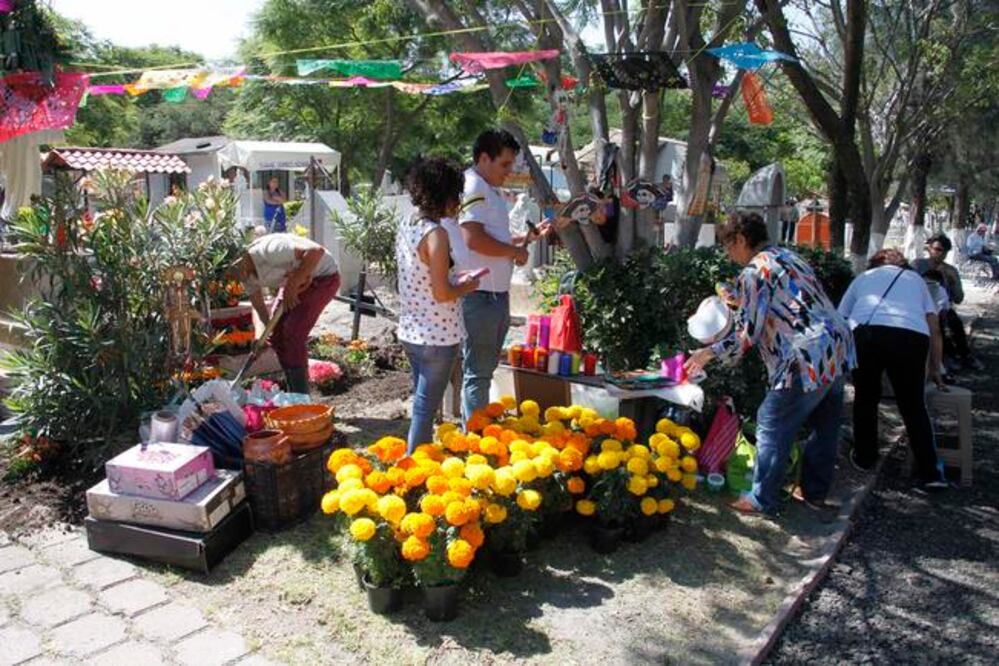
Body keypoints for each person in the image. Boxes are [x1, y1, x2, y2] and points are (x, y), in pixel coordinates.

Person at [685, 213, 854, 516]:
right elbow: (786, 300)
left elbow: (747, 335)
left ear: (739, 239)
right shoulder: (787, 256)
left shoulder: (754, 271)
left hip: (805, 354)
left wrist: (706, 353)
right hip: (835, 345)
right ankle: (814, 492)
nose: (728, 254)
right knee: (825, 424)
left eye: (728, 246)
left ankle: (761, 499)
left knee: (772, 420)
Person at [446, 129, 550, 423]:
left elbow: (489, 237)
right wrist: (513, 252)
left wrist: (521, 239)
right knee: (478, 374)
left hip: (492, 294)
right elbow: (473, 239)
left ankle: (480, 437)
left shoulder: (485, 187)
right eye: (504, 164)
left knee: (482, 371)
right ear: (483, 158)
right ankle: (478, 443)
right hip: (480, 295)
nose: (509, 172)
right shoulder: (474, 187)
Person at [837, 248, 948, 491]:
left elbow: (840, 317)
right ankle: (931, 472)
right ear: (903, 265)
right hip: (911, 337)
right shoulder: (916, 280)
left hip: (867, 334)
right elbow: (934, 325)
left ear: (873, 264)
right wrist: (936, 366)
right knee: (913, 404)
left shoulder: (863, 278)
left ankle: (865, 457)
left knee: (866, 398)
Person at [397, 157, 480, 453]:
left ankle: (418, 461)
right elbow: (443, 293)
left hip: (411, 330)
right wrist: (467, 285)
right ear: (443, 194)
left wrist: (456, 277)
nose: (458, 202)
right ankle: (413, 465)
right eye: (456, 194)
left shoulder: (408, 222)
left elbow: (424, 275)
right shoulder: (437, 234)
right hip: (438, 334)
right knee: (424, 408)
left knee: (422, 402)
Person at [232, 233, 340, 393]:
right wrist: (260, 337)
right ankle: (294, 392)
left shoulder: (267, 250)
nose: (231, 277)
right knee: (276, 336)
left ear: (238, 258)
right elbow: (260, 308)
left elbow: (316, 252)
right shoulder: (245, 275)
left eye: (230, 270)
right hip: (294, 283)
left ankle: (301, 396)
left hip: (322, 278)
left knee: (292, 332)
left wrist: (293, 285)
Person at [913, 233, 979, 369]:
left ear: (946, 253)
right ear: (929, 248)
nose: (937, 253)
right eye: (935, 249)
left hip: (942, 307)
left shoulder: (950, 270)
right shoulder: (917, 265)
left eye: (941, 251)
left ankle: (964, 355)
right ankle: (942, 359)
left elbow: (959, 298)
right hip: (918, 306)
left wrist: (952, 280)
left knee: (953, 322)